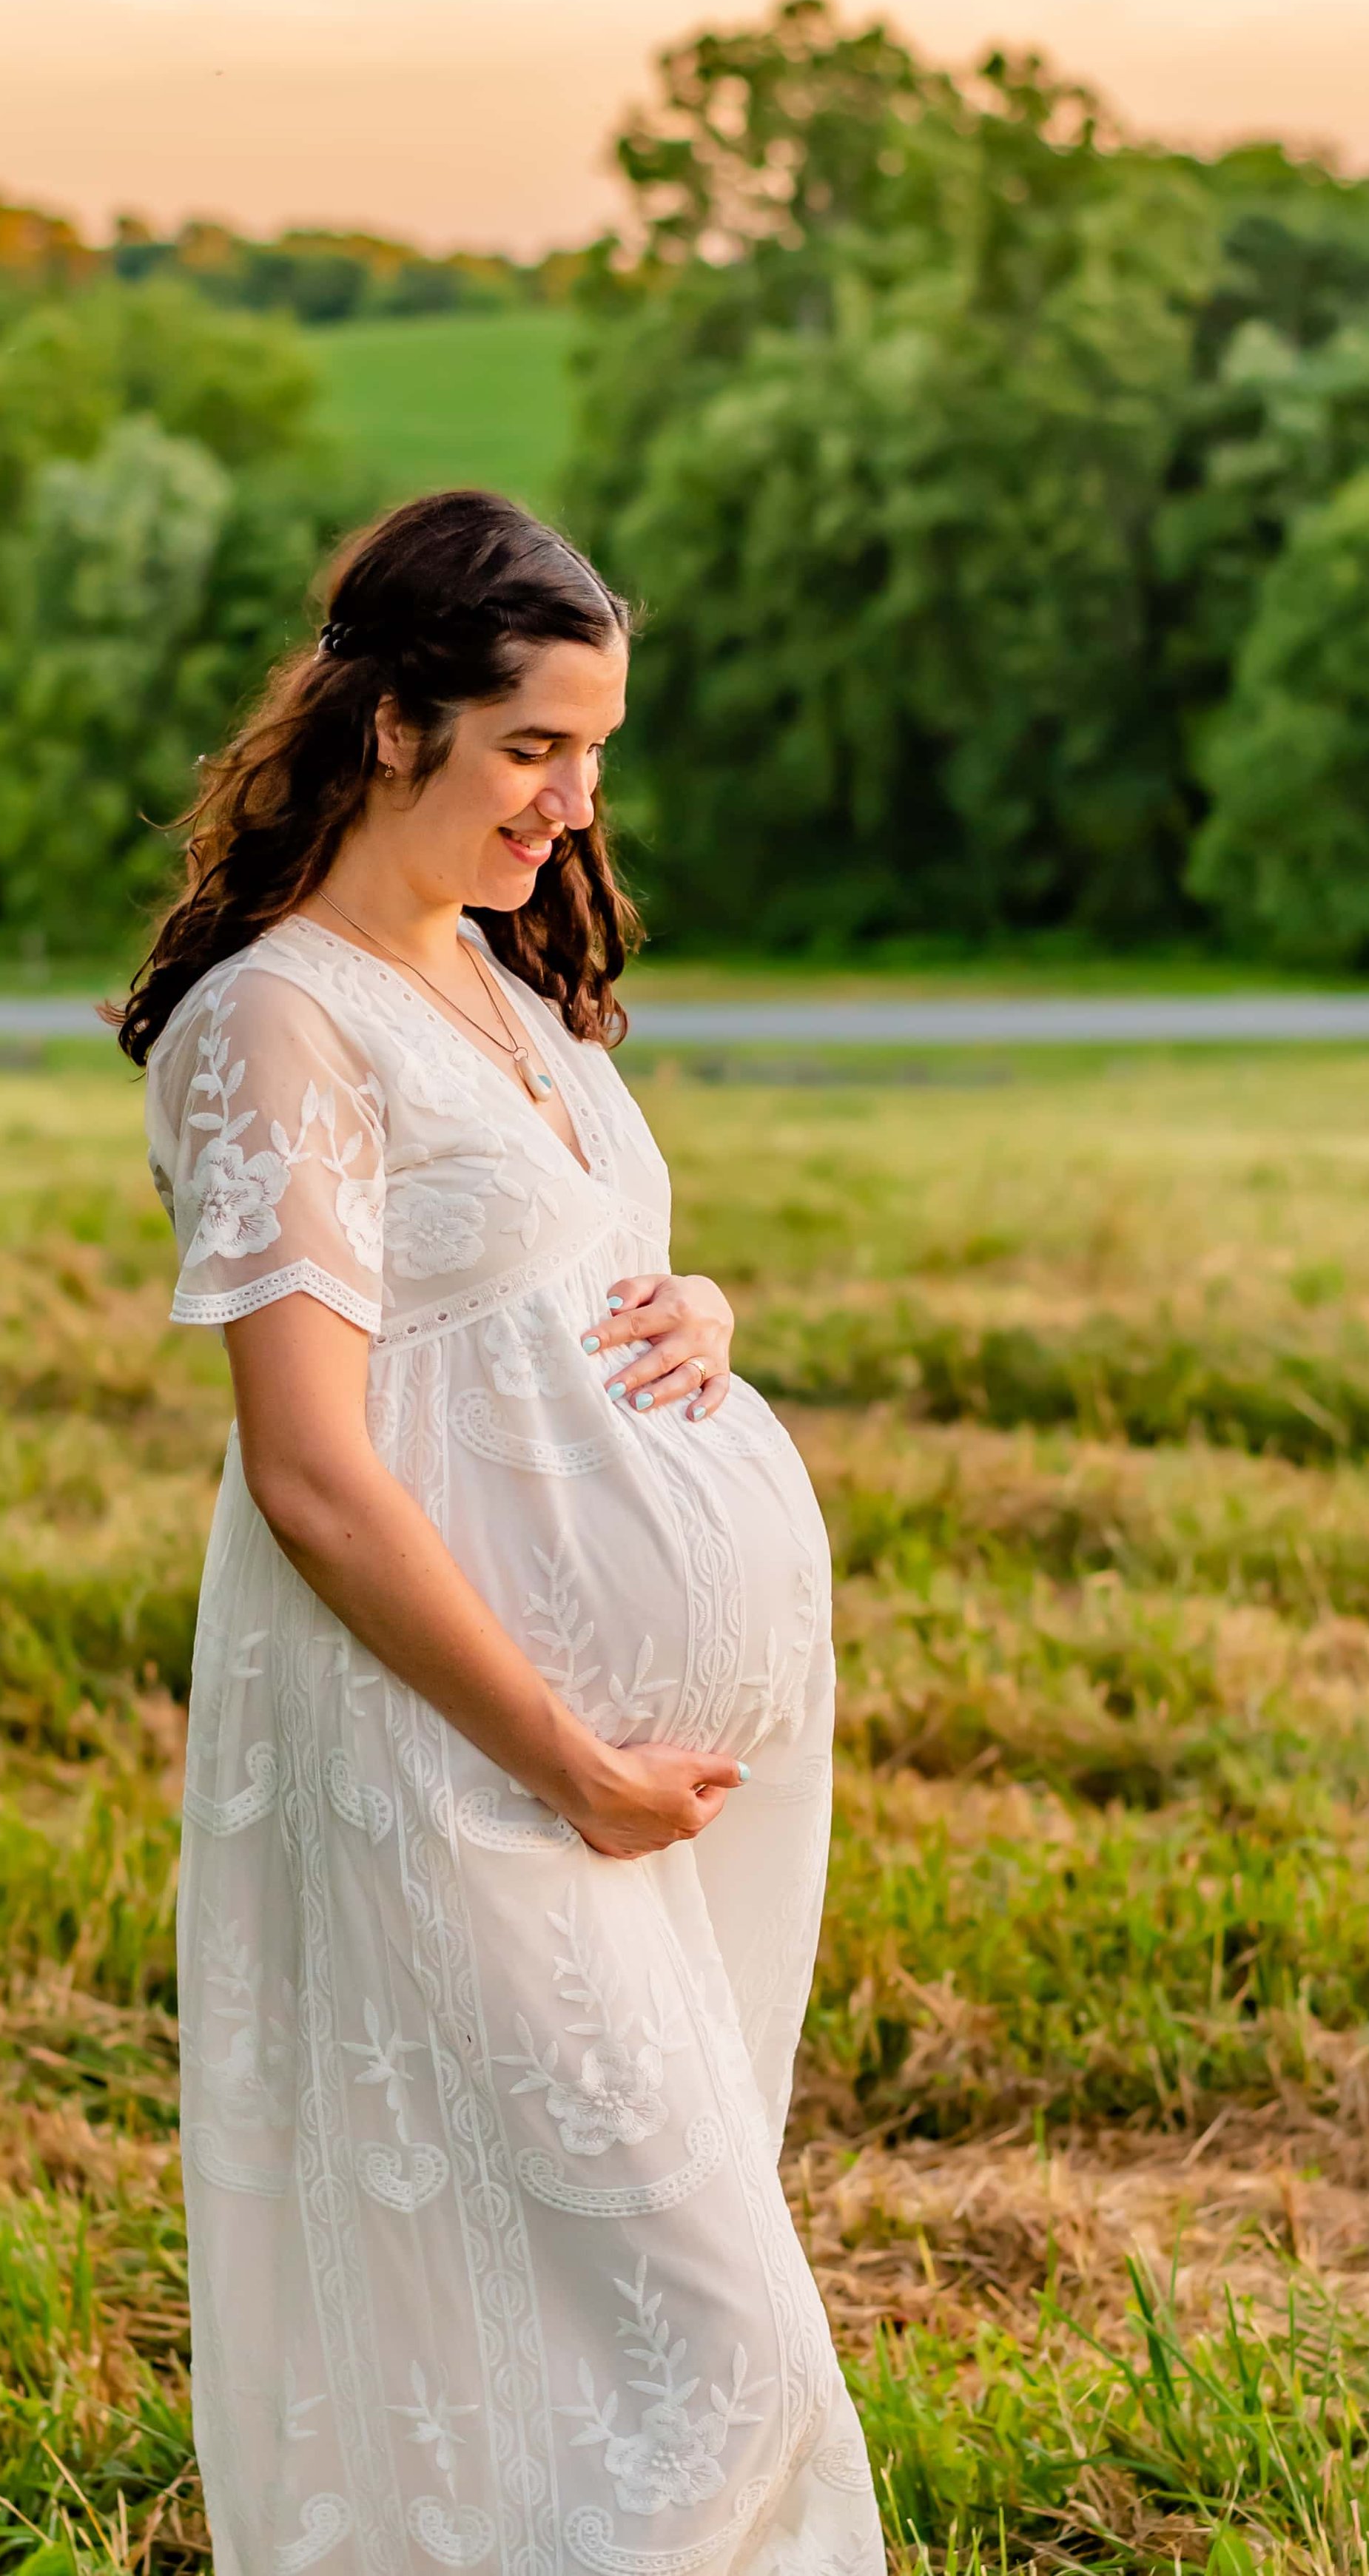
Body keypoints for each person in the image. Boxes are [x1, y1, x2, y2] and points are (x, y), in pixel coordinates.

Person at [118, 490, 884, 2576]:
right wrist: (565, 1751)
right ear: (393, 727)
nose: (573, 799)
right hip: (455, 1763)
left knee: (594, 2334)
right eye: (533, 744)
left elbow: (549, 1286)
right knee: (710, 2347)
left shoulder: (498, 984)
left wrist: (695, 1306)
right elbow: (310, 1464)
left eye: (595, 750)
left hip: (620, 1784)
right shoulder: (278, 1017)